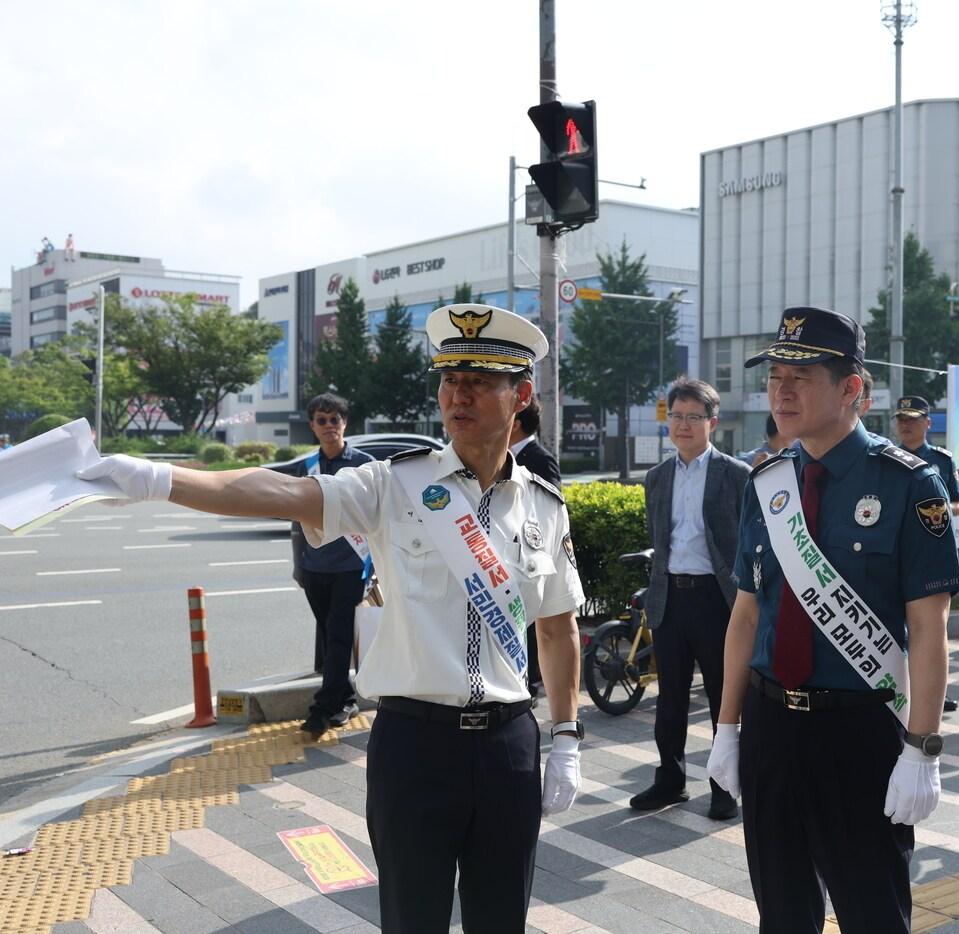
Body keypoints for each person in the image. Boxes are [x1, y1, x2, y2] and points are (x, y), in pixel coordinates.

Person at [77, 303, 586, 933]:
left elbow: (557, 627)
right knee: (412, 920)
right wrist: (156, 478)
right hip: (415, 745)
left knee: (502, 919)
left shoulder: (544, 507)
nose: (458, 396)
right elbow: (279, 491)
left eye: (479, 382)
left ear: (521, 396)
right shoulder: (394, 485)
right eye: (450, 380)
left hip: (509, 745)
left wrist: (567, 737)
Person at [706, 306, 959, 933]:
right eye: (775, 376)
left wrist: (922, 747)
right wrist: (728, 727)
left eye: (801, 376)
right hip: (770, 725)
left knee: (873, 914)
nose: (782, 391)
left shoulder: (908, 485)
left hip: (859, 731)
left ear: (851, 388)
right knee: (781, 912)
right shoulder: (767, 483)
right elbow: (746, 616)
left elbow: (929, 630)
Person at [631, 378, 750, 820]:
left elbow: (749, 541)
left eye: (693, 417)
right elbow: (658, 540)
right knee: (670, 699)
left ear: (712, 422)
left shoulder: (736, 475)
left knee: (724, 697)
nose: (683, 425)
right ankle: (670, 780)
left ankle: (724, 786)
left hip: (718, 602)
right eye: (676, 416)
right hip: (669, 600)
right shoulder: (656, 477)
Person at [270, 392, 374, 736]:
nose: (330, 426)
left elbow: (376, 517)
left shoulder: (363, 464)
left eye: (335, 419)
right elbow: (297, 519)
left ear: (345, 423)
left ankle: (322, 709)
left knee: (340, 635)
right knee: (330, 635)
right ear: (312, 426)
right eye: (322, 420)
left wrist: (375, 567)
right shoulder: (307, 467)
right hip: (314, 567)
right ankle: (345, 699)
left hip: (350, 566)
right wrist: (298, 564)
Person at [893, 394, 959, 714]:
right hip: (894, 552)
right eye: (901, 419)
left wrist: (933, 507)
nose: (905, 425)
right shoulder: (885, 458)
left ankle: (934, 693)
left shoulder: (941, 460)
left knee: (933, 628)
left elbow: (957, 503)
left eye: (912, 419)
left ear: (928, 423)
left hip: (930, 551)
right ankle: (903, 690)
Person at [511, 396, 562, 701]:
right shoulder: (503, 457)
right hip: (506, 563)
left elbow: (552, 511)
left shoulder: (539, 458)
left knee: (530, 628)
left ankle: (528, 685)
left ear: (516, 423)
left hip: (529, 562)